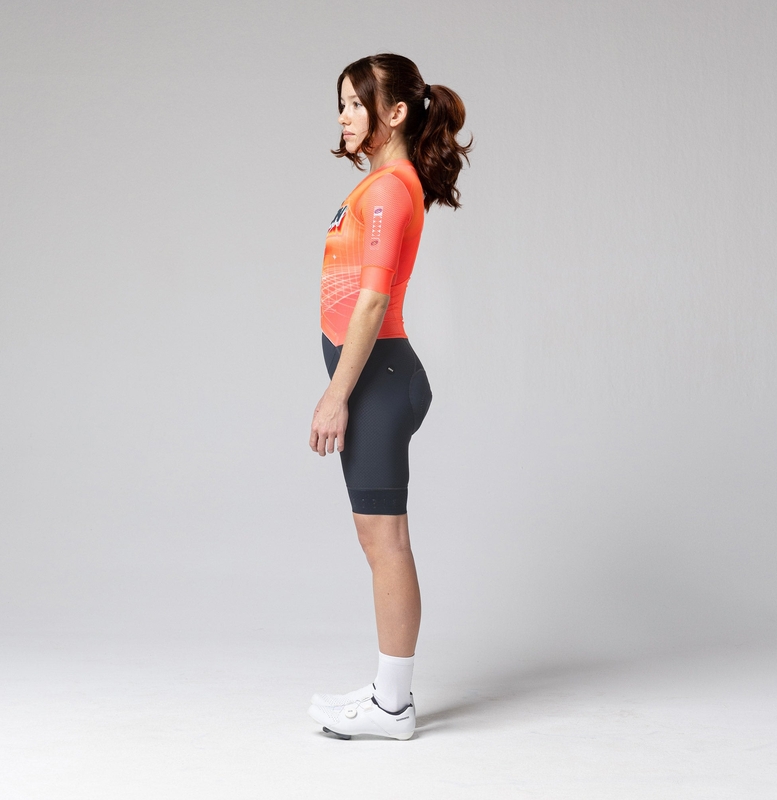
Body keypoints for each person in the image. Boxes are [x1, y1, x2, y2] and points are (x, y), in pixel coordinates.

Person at [307, 53, 471, 741]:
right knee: (379, 538)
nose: (344, 116)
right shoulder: (382, 185)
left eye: (356, 102)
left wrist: (336, 395)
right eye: (341, 104)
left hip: (377, 380)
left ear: (395, 112)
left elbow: (372, 302)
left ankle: (393, 706)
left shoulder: (389, 191)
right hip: (375, 378)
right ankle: (387, 691)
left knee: (386, 541)